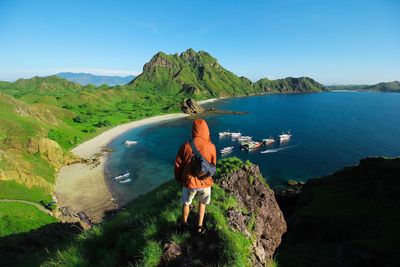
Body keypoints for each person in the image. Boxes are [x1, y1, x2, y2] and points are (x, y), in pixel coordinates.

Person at [174, 119, 217, 234]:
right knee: (202, 203)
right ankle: (199, 226)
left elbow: (178, 165)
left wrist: (179, 179)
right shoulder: (211, 146)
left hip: (189, 182)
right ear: (206, 130)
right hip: (205, 182)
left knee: (186, 203)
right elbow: (213, 165)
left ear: (194, 130)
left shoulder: (185, 146)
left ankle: (184, 224)